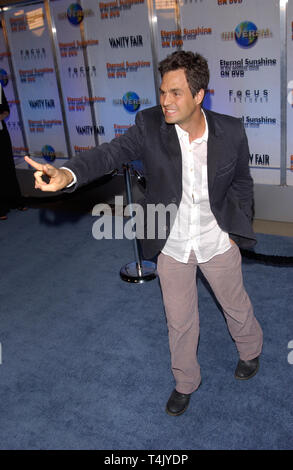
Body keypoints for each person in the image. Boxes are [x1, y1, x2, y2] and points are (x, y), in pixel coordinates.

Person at [25, 51, 263, 416]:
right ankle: (185, 382)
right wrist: (68, 174)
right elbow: (109, 153)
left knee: (236, 304)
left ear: (199, 95)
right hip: (170, 241)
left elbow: (242, 183)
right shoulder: (150, 125)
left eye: (176, 93)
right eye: (162, 91)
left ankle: (250, 350)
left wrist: (236, 227)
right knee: (179, 320)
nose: (165, 101)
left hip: (217, 238)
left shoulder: (230, 131)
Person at [0, 84, 27, 220]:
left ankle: (16, 201)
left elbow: (6, 110)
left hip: (1, 133)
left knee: (8, 167)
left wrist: (1, 116)